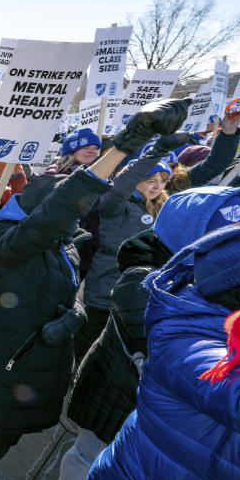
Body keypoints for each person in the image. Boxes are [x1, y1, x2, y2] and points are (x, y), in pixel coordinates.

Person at [0, 97, 192, 480]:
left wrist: (76, 316)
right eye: (70, 211)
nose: (79, 217)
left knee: (8, 435)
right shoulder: (12, 243)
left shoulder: (65, 243)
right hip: (4, 364)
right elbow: (62, 208)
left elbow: (71, 291)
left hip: (41, 367)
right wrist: (128, 143)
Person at [54, 186, 240, 480]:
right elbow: (165, 345)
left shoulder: (214, 276)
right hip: (117, 390)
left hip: (156, 406)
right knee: (90, 451)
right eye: (229, 230)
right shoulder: (145, 278)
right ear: (188, 230)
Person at [76, 135, 193, 362]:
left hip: (141, 284)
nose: (158, 186)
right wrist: (156, 153)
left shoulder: (162, 207)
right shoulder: (115, 205)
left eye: (162, 180)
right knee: (91, 339)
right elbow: (120, 187)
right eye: (151, 180)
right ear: (137, 180)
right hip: (106, 282)